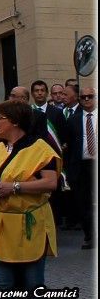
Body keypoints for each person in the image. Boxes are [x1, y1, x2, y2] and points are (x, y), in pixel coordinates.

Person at [0, 100, 60, 299]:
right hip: (2, 227)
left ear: (15, 121)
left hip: (30, 226)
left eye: (0, 117)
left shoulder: (40, 148)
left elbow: (50, 182)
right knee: (2, 292)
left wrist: (15, 187)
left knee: (33, 290)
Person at [64, 85, 95, 249]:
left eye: (90, 96)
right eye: (84, 97)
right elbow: (67, 145)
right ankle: (90, 236)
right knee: (84, 202)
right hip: (80, 166)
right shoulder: (73, 120)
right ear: (79, 99)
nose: (87, 99)